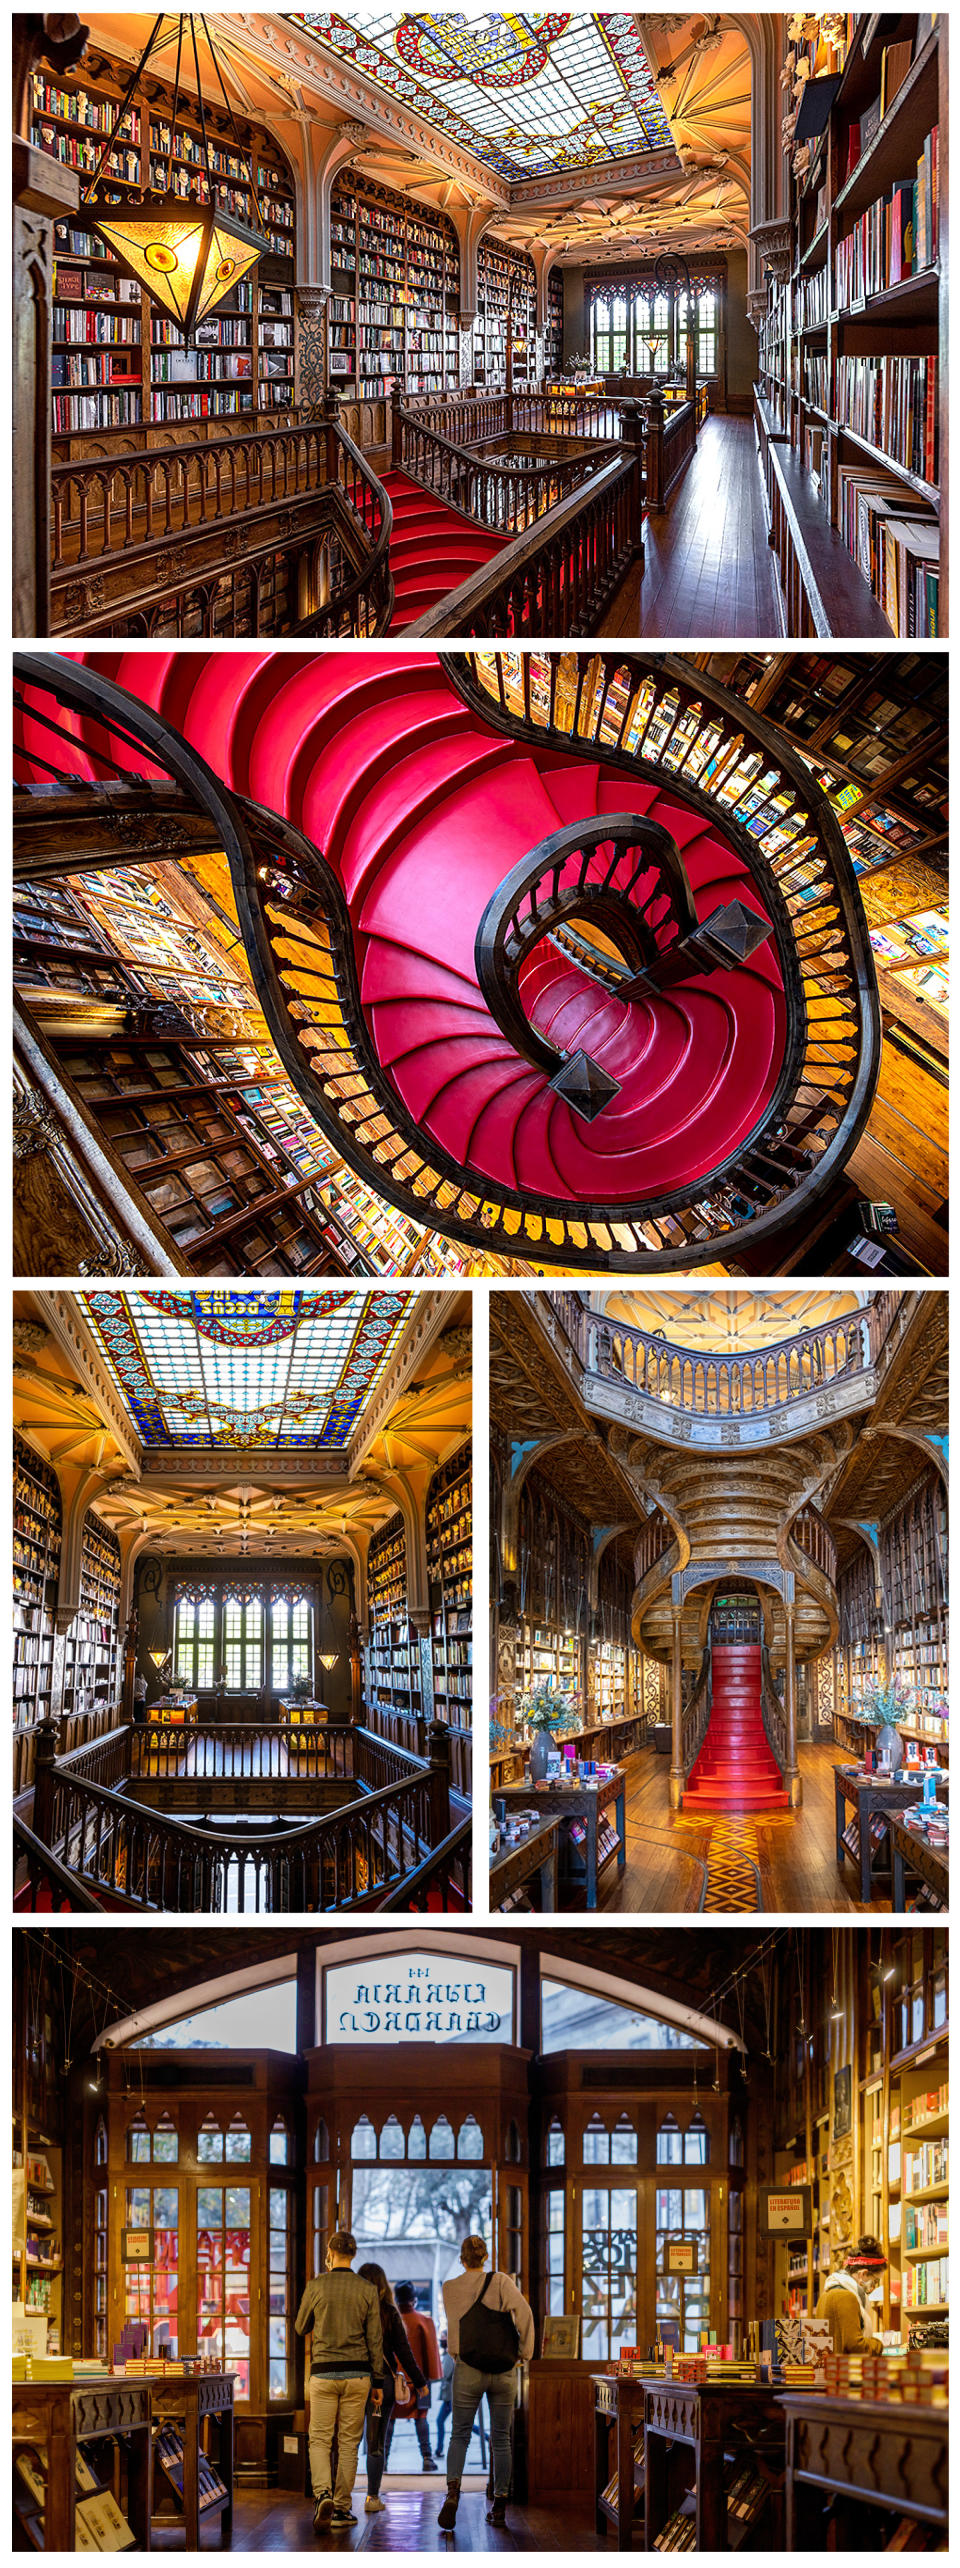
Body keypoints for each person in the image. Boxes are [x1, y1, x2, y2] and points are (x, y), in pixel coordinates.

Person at [440, 2234, 534, 2532]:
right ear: (485, 2257)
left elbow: (456, 2327)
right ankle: (500, 2505)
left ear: (462, 2258)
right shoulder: (500, 2282)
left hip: (467, 2367)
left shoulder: (449, 2288)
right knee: (501, 2438)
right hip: (503, 2370)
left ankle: (453, 2492)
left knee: (460, 2435)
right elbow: (525, 2313)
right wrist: (524, 2353)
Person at [294, 2229, 384, 2531]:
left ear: (330, 2253)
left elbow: (300, 2326)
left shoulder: (316, 2286)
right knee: (348, 2443)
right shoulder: (367, 2289)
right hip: (358, 2374)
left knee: (319, 2439)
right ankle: (342, 2509)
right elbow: (375, 2339)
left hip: (323, 2373)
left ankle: (322, 2495)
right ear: (354, 2254)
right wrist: (379, 2382)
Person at [357, 2263, 427, 2516]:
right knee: (375, 2442)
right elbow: (403, 2350)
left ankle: (337, 2496)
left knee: (348, 2442)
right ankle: (372, 2496)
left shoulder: (354, 2310)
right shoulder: (388, 2311)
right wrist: (419, 2381)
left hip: (353, 2381)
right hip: (382, 2382)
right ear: (383, 2283)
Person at [392, 2283, 441, 2472]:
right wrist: (431, 2377)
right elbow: (431, 2354)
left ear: (396, 2299)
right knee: (421, 2418)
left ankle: (384, 2459)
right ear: (414, 2299)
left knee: (389, 2419)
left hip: (394, 2380)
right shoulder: (423, 2321)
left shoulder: (389, 2320)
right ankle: (427, 2458)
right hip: (419, 2381)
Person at [815, 2234, 887, 2352]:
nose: (874, 2287)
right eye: (875, 2280)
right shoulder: (846, 2297)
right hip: (844, 2368)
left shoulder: (828, 2292)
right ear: (863, 2274)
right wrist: (878, 2345)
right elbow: (855, 2345)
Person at [435, 2329, 454, 2459]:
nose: (441, 2340)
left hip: (450, 2397)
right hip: (449, 2397)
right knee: (440, 2421)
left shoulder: (448, 2356)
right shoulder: (448, 2355)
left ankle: (487, 2438)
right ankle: (439, 2449)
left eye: (443, 2337)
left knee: (463, 2425)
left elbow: (445, 2375)